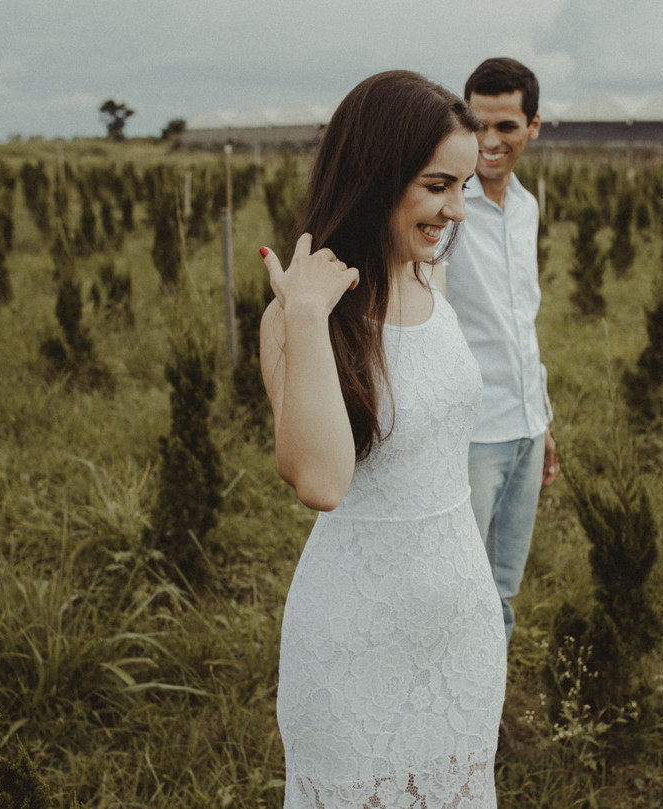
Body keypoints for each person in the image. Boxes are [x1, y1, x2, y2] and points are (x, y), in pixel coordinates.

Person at [259, 70, 506, 808]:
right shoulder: (302, 317)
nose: (455, 210)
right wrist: (304, 317)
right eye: (437, 186)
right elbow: (323, 482)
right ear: (378, 175)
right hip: (355, 638)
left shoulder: (429, 278)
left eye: (462, 187)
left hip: (460, 619)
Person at [443, 57, 559, 647]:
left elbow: (521, 323)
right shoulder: (445, 209)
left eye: (506, 126)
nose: (489, 141)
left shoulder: (529, 208)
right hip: (470, 434)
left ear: (533, 126)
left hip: (526, 427)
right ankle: (444, 732)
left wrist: (542, 420)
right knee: (455, 588)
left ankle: (487, 728)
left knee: (503, 592)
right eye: (477, 123)